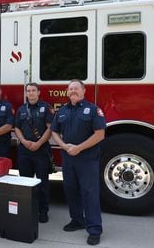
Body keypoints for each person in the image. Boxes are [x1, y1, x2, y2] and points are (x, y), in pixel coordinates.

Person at [50, 79, 106, 246]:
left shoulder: (93, 110)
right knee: (71, 191)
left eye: (76, 88)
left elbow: (100, 134)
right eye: (70, 89)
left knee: (89, 193)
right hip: (68, 158)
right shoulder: (62, 111)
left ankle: (94, 229)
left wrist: (79, 148)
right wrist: (64, 146)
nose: (72, 91)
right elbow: (54, 131)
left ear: (83, 91)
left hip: (87, 160)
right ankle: (77, 220)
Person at [14, 83, 54, 223]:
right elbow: (17, 128)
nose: (30, 93)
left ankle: (43, 212)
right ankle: (28, 209)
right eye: (28, 91)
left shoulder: (46, 108)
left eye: (33, 91)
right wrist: (24, 141)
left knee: (43, 183)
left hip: (41, 150)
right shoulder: (21, 109)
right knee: (25, 182)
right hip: (24, 150)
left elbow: (50, 128)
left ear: (38, 92)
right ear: (26, 93)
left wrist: (38, 143)